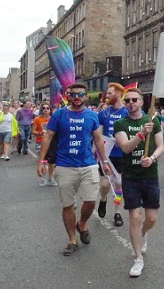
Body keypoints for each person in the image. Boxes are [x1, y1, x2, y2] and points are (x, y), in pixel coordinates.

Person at [37, 83, 111, 256]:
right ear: (68, 96)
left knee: (91, 200)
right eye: (73, 94)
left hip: (88, 164)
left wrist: (104, 161)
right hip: (64, 166)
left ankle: (82, 224)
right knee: (68, 205)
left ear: (85, 97)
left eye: (80, 94)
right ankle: (72, 239)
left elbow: (98, 140)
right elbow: (47, 136)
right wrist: (41, 160)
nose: (77, 97)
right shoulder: (59, 114)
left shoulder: (92, 116)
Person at [114, 87, 164, 277]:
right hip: (131, 177)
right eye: (127, 101)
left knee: (151, 218)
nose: (131, 103)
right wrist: (142, 134)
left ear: (142, 102)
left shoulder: (154, 120)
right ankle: (138, 259)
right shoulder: (120, 123)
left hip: (150, 175)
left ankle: (143, 233)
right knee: (134, 216)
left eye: (135, 100)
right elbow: (126, 147)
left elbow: (160, 147)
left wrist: (151, 158)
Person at [97, 83, 128, 227]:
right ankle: (103, 199)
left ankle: (117, 212)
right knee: (104, 184)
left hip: (122, 154)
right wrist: (94, 151)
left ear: (118, 94)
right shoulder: (103, 113)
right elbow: (98, 135)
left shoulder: (128, 112)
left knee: (119, 185)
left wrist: (123, 141)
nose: (106, 96)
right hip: (106, 154)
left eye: (109, 93)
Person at [32, 101, 58, 187]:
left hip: (51, 142)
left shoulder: (53, 119)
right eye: (44, 108)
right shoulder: (37, 119)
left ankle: (51, 178)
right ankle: (42, 178)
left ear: (50, 110)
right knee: (43, 160)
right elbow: (33, 131)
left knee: (51, 162)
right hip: (40, 141)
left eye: (47, 108)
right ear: (41, 110)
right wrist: (39, 133)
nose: (45, 110)